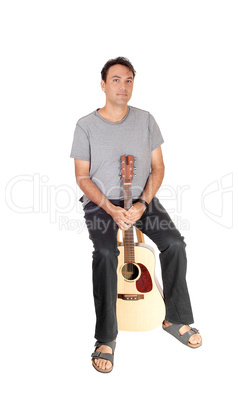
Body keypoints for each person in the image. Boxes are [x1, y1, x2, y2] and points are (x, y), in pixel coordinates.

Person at [70, 57, 202, 373]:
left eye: (128, 80)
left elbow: (158, 167)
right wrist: (111, 208)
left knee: (174, 244)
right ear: (103, 84)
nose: (123, 86)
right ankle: (105, 338)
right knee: (104, 252)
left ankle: (175, 317)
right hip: (102, 202)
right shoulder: (85, 126)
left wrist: (142, 203)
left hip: (141, 198)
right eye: (116, 79)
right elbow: (82, 176)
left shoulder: (145, 120)